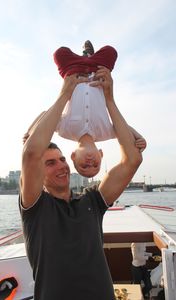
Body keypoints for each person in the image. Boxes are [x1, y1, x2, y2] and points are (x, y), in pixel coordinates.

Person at [19, 66, 143, 300]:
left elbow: (132, 159)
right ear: (38, 175)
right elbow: (31, 153)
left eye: (62, 159)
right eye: (50, 163)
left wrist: (109, 99)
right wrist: (65, 94)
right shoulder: (34, 207)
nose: (62, 166)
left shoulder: (93, 201)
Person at [53, 41, 146, 177]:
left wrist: (29, 133)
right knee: (111, 51)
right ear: (101, 154)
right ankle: (89, 55)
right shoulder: (106, 132)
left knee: (59, 53)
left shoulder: (64, 130)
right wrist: (140, 137)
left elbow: (44, 116)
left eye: (84, 166)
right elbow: (125, 128)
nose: (90, 162)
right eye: (96, 165)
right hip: (97, 70)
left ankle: (86, 55)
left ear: (73, 156)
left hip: (74, 70)